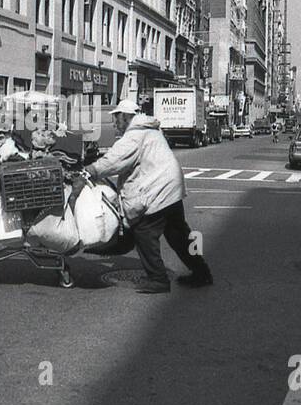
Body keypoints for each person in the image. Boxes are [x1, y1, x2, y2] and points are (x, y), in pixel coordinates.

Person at [84, 97, 214, 294]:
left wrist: (90, 170)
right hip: (172, 188)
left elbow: (114, 161)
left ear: (126, 117)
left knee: (144, 232)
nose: (115, 123)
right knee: (179, 235)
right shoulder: (152, 131)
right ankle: (202, 272)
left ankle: (158, 279)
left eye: (117, 119)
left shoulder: (134, 135)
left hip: (159, 190)